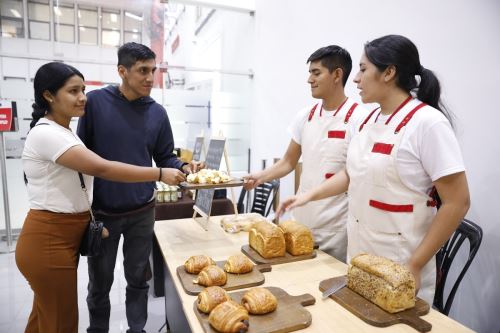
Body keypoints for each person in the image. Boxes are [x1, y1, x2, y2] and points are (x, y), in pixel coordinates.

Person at [277, 35, 470, 304]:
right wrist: (308, 195)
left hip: (401, 263)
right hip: (359, 257)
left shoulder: (427, 124)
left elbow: (457, 203)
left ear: (389, 72)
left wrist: (415, 265)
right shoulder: (367, 119)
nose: (355, 78)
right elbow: (351, 173)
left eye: (363, 69)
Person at [16, 62, 188, 333]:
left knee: (45, 318)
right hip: (52, 237)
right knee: (64, 318)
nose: (82, 97)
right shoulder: (51, 132)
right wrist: (158, 173)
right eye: (73, 91)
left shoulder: (64, 130)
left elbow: (164, 154)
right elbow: (102, 167)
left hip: (89, 226)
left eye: (83, 89)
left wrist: (178, 167)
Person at [77, 42, 201, 333]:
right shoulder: (95, 103)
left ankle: (137, 329)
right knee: (100, 283)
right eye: (142, 71)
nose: (150, 78)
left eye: (153, 71)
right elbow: (82, 156)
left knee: (138, 280)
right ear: (122, 71)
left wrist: (184, 167)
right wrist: (86, 211)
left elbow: (166, 156)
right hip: (103, 213)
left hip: (143, 211)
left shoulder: (157, 113)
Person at [244, 45, 366, 261]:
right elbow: (288, 162)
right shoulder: (305, 116)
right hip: (300, 222)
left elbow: (353, 174)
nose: (309, 79)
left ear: (337, 74)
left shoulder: (358, 118)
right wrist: (259, 177)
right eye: (310, 73)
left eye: (316, 73)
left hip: (335, 229)